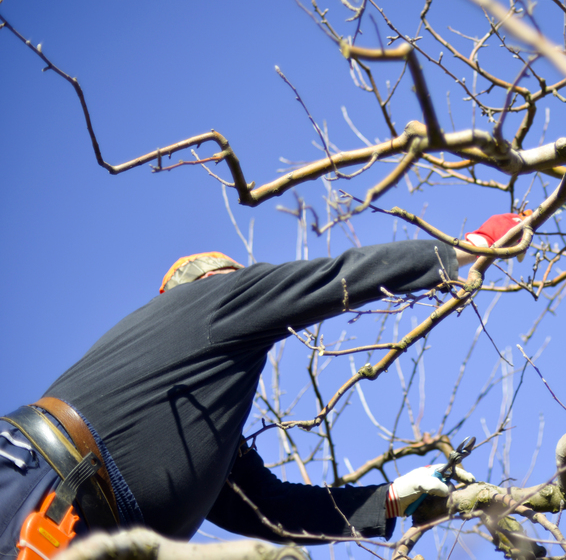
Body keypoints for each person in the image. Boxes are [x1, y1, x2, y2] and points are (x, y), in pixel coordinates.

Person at [0, 213, 527, 556]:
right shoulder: (210, 301)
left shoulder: (199, 421)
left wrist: (389, 499)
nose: (255, 286)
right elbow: (330, 280)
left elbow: (269, 510)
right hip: (39, 485)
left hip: (76, 523)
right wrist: (464, 251)